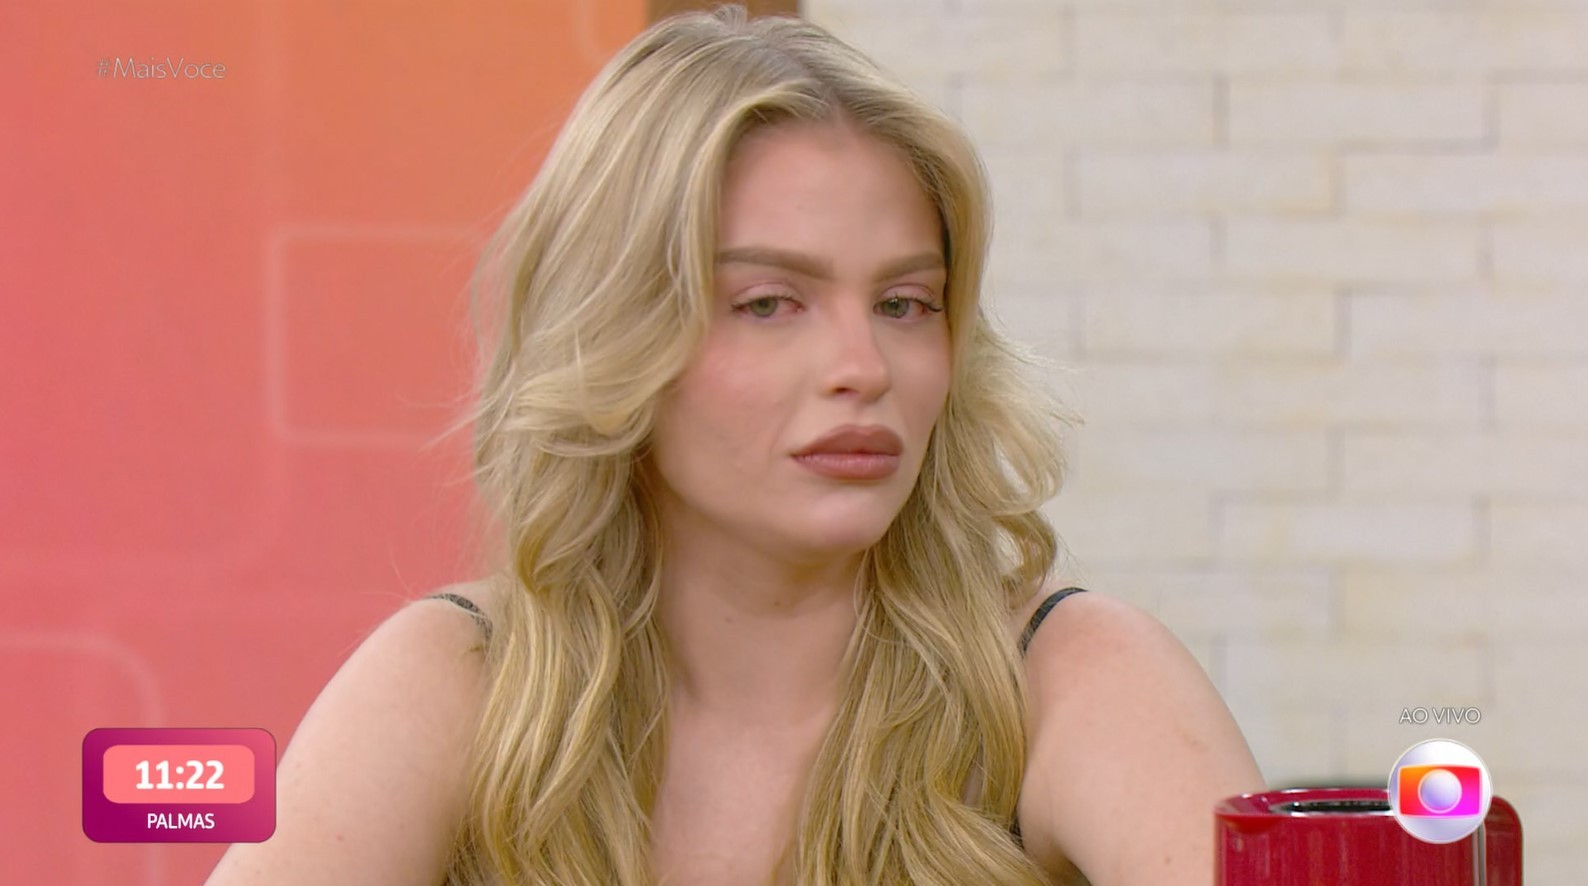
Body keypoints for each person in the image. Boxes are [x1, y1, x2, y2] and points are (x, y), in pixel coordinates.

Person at [205, 4, 1265, 884]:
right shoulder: (462, 680)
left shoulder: (1072, 676)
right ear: (618, 334)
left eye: (904, 303)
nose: (862, 366)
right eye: (768, 303)